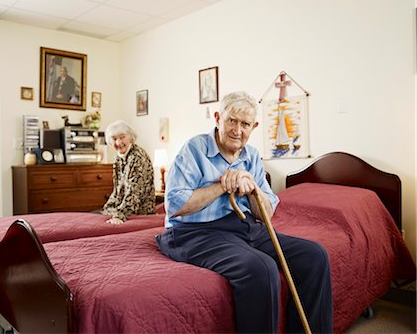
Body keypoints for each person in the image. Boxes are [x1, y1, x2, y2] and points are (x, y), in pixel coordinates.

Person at [156, 91, 332, 334]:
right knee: (261, 268)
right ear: (218, 117)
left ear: (254, 126)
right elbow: (175, 206)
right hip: (194, 232)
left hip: (244, 228)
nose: (237, 130)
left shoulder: (251, 156)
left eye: (245, 124)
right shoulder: (194, 149)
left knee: (314, 255)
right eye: (232, 120)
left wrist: (252, 188)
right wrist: (221, 186)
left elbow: (266, 215)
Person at [102, 120, 155, 224]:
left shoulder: (137, 157)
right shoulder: (119, 156)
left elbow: (134, 193)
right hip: (121, 208)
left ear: (130, 137)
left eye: (122, 137)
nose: (118, 143)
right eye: (114, 139)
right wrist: (107, 209)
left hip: (138, 212)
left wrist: (119, 216)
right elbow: (117, 190)